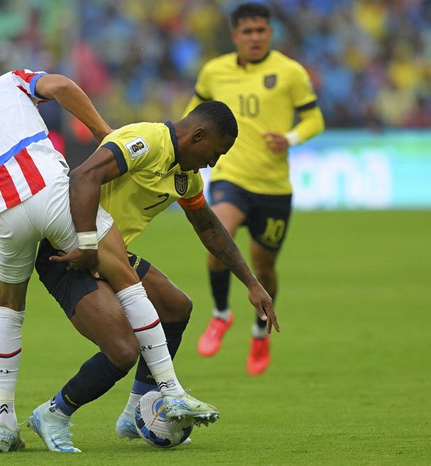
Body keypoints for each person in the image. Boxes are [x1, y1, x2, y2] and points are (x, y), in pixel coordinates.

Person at [0, 71, 234, 454]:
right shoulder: (11, 82)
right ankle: (162, 391)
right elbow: (63, 90)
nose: (212, 162)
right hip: (52, 198)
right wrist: (104, 132)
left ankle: (5, 423)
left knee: (8, 311)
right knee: (126, 310)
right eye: (216, 153)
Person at [33, 101, 279, 449]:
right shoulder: (146, 140)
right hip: (68, 249)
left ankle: (136, 412)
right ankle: (53, 413)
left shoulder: (185, 177)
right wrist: (87, 244)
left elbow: (208, 227)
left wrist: (252, 283)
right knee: (122, 350)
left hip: (110, 254)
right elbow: (83, 176)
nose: (214, 163)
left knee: (176, 306)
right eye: (215, 152)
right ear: (197, 136)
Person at [184, 2, 325, 375]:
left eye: (261, 30)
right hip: (231, 177)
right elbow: (192, 115)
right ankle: (220, 313)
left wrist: (291, 137)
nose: (255, 37)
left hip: (274, 187)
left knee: (264, 266)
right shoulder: (214, 72)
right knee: (220, 234)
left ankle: (260, 331)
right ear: (235, 36)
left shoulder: (290, 72)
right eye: (248, 32)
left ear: (270, 33)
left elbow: (315, 118)